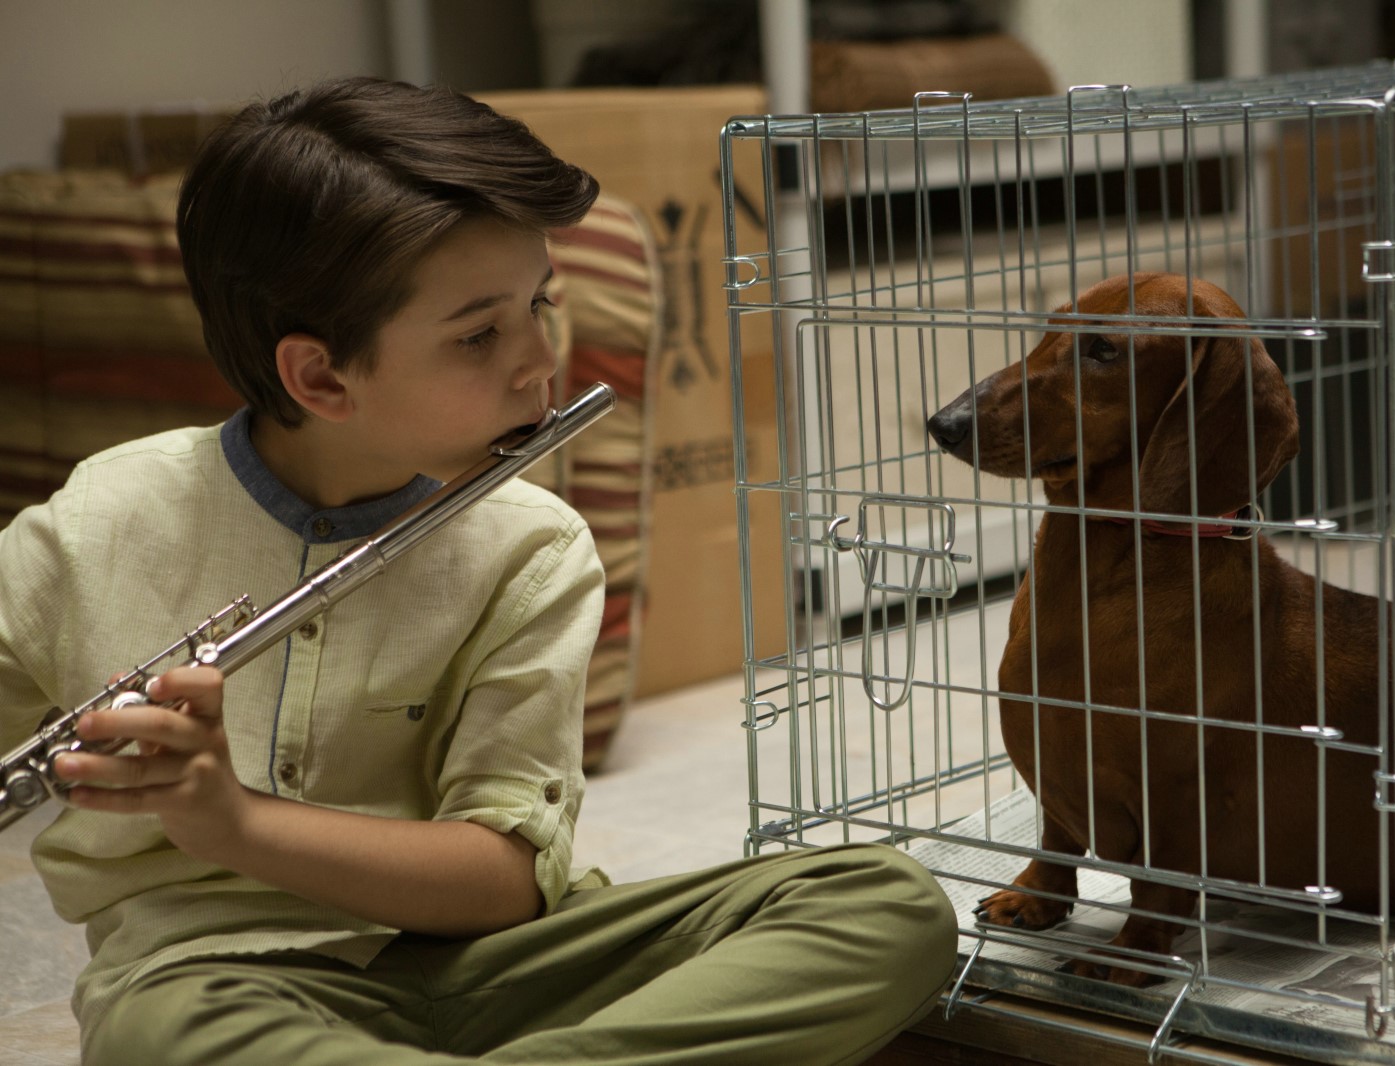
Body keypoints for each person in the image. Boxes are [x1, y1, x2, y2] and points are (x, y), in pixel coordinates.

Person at [0, 77, 957, 1065]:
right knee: (161, 1039)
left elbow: (502, 883)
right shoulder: (99, 524)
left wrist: (235, 821)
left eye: (539, 302)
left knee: (883, 901)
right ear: (321, 376)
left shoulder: (530, 545)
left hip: (502, 965)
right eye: (478, 334)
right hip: (219, 975)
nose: (541, 358)